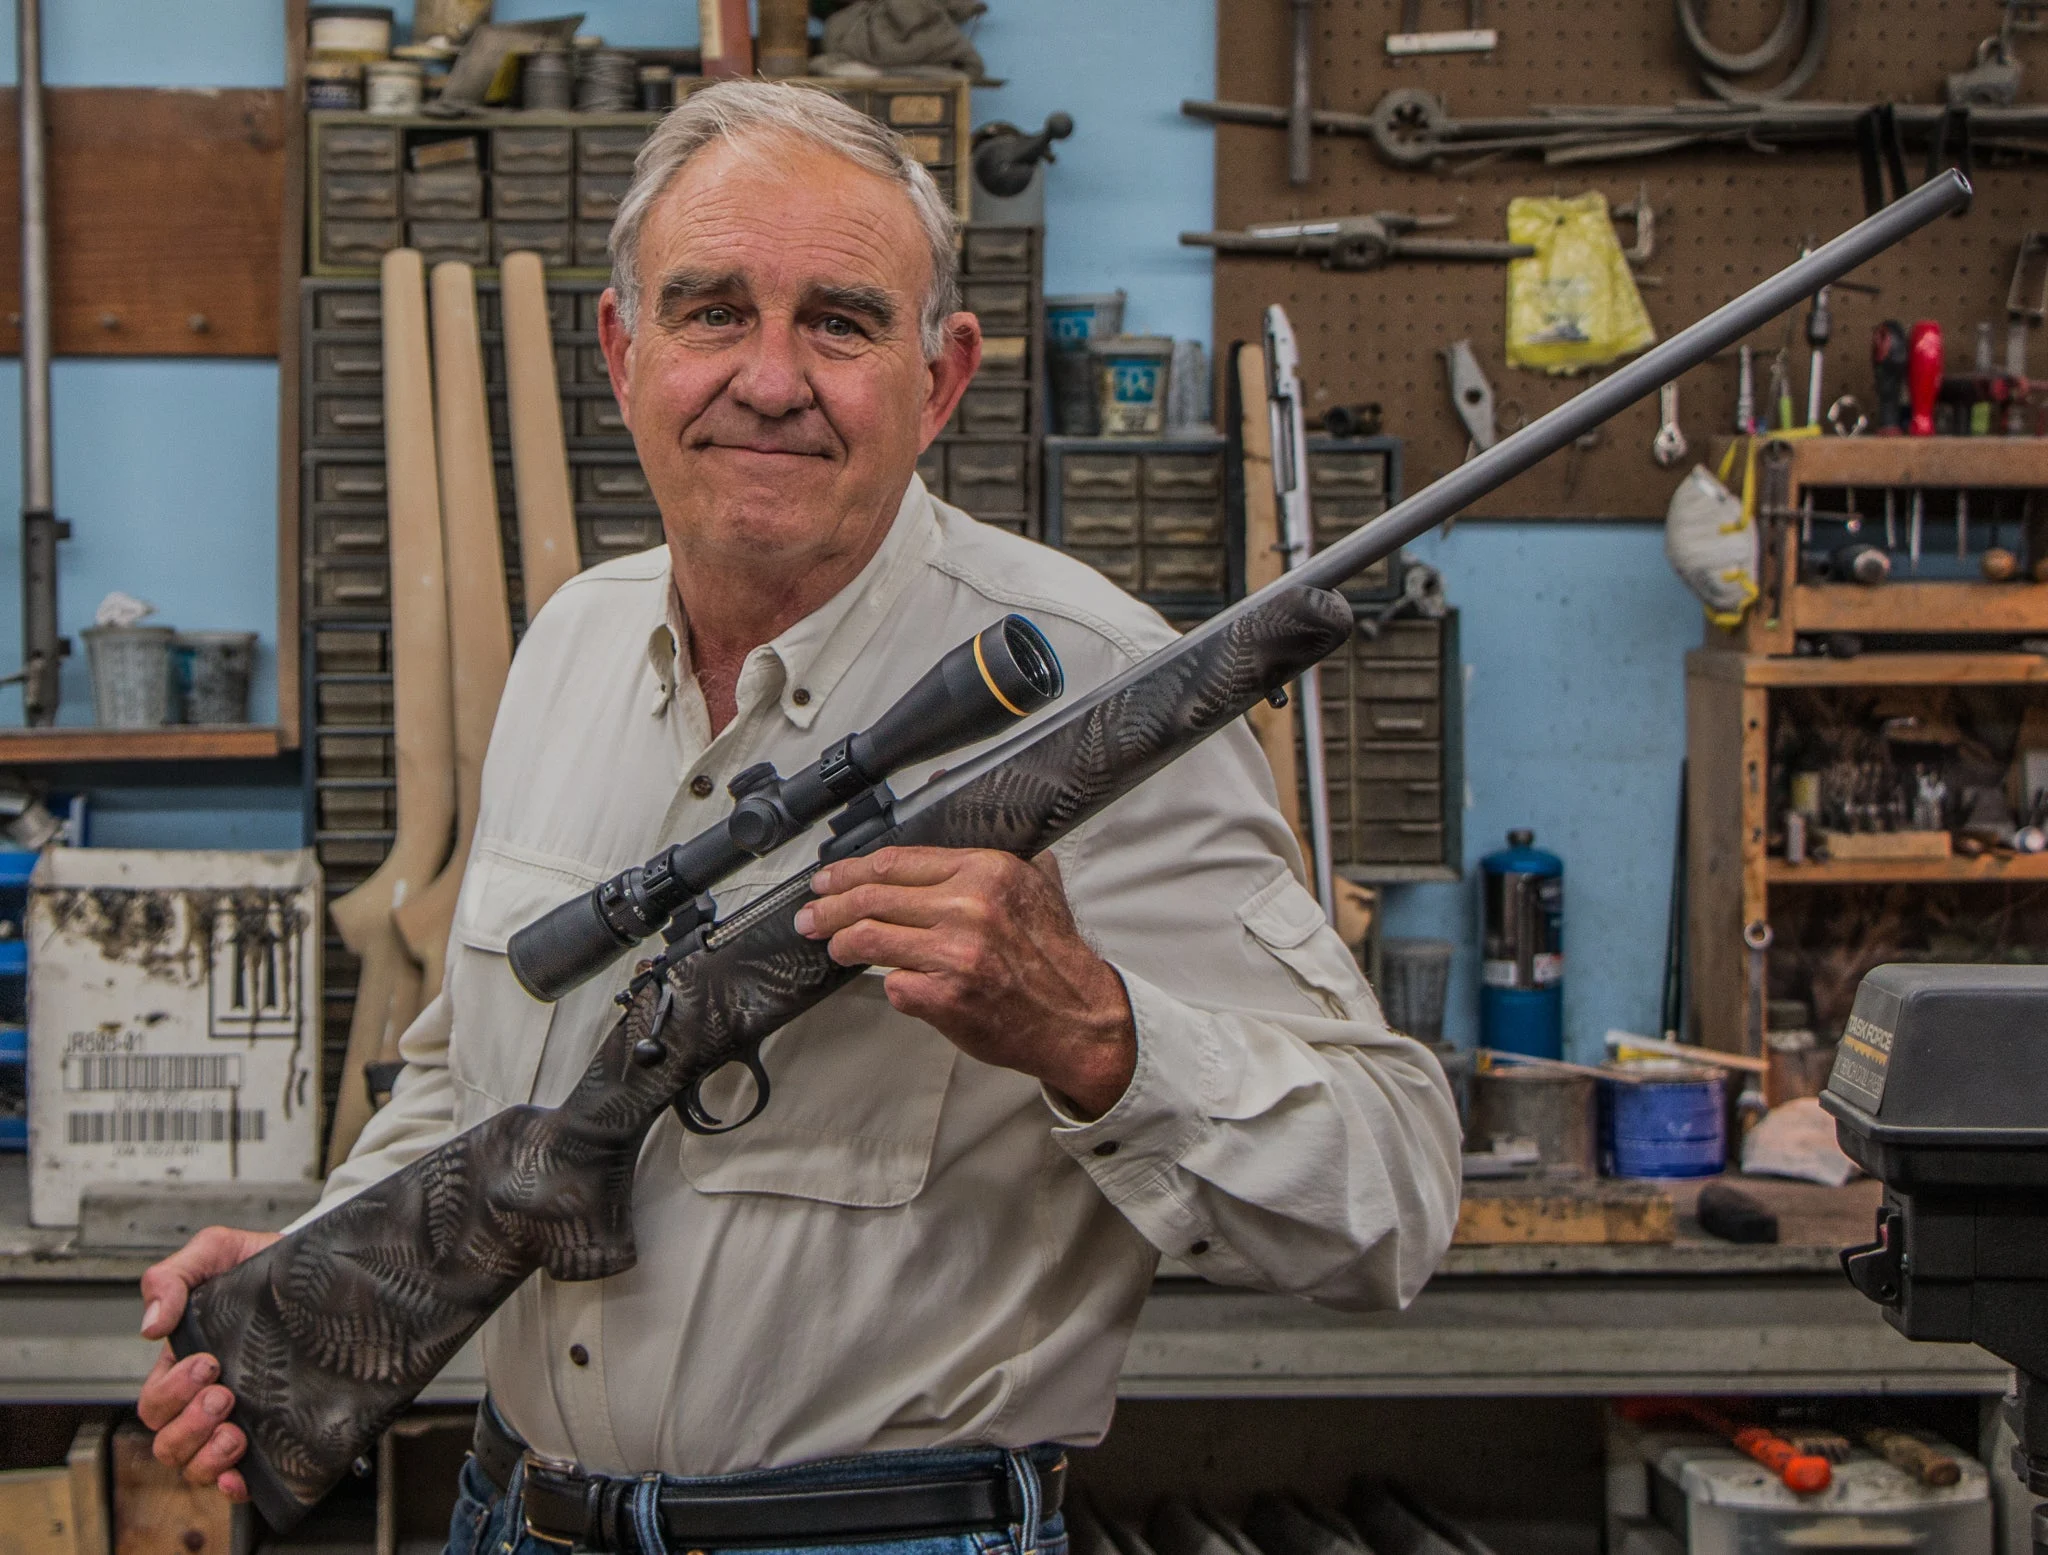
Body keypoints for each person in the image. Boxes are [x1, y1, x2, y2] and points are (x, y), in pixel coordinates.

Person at [135, 80, 1461, 1555]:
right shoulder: (570, 643)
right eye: (712, 311)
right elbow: (474, 1077)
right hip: (516, 1517)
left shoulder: (1097, 695)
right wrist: (325, 1265)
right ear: (622, 351)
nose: (770, 378)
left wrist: (1095, 1029)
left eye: (840, 321)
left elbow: (1392, 1194)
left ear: (943, 378)